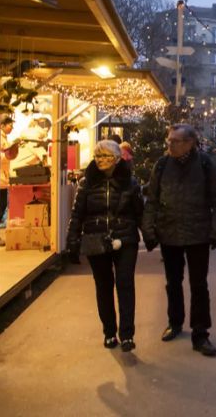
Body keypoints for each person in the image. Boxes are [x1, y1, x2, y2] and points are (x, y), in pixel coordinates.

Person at [141, 124, 216, 357]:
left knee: (199, 285)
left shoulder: (205, 164)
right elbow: (152, 200)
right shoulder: (162, 165)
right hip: (170, 232)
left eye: (174, 141)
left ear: (190, 143)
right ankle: (175, 321)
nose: (169, 144)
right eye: (168, 140)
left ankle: (201, 333)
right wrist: (148, 230)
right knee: (173, 282)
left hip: (198, 233)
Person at [66, 140, 144, 352]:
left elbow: (140, 213)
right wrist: (72, 241)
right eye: (98, 156)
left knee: (125, 284)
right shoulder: (86, 183)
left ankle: (127, 334)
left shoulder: (130, 182)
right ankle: (109, 332)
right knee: (103, 285)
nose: (101, 160)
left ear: (117, 159)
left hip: (125, 239)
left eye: (106, 156)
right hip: (95, 239)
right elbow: (77, 214)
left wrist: (150, 235)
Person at [0, 116, 19, 224]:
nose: (12, 128)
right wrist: (8, 155)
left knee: (2, 204)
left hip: (3, 176)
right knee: (0, 204)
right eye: (10, 125)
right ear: (2, 126)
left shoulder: (4, 138)